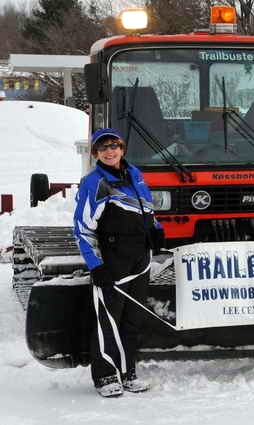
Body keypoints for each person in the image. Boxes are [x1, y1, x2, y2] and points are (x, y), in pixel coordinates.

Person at [73, 128, 164, 397]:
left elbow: (145, 208)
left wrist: (155, 229)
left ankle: (128, 373)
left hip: (140, 258)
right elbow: (82, 230)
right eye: (103, 148)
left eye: (114, 146)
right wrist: (96, 266)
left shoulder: (135, 174)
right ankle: (105, 376)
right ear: (96, 154)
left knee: (131, 319)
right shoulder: (94, 183)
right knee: (108, 320)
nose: (110, 151)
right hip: (112, 259)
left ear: (122, 149)